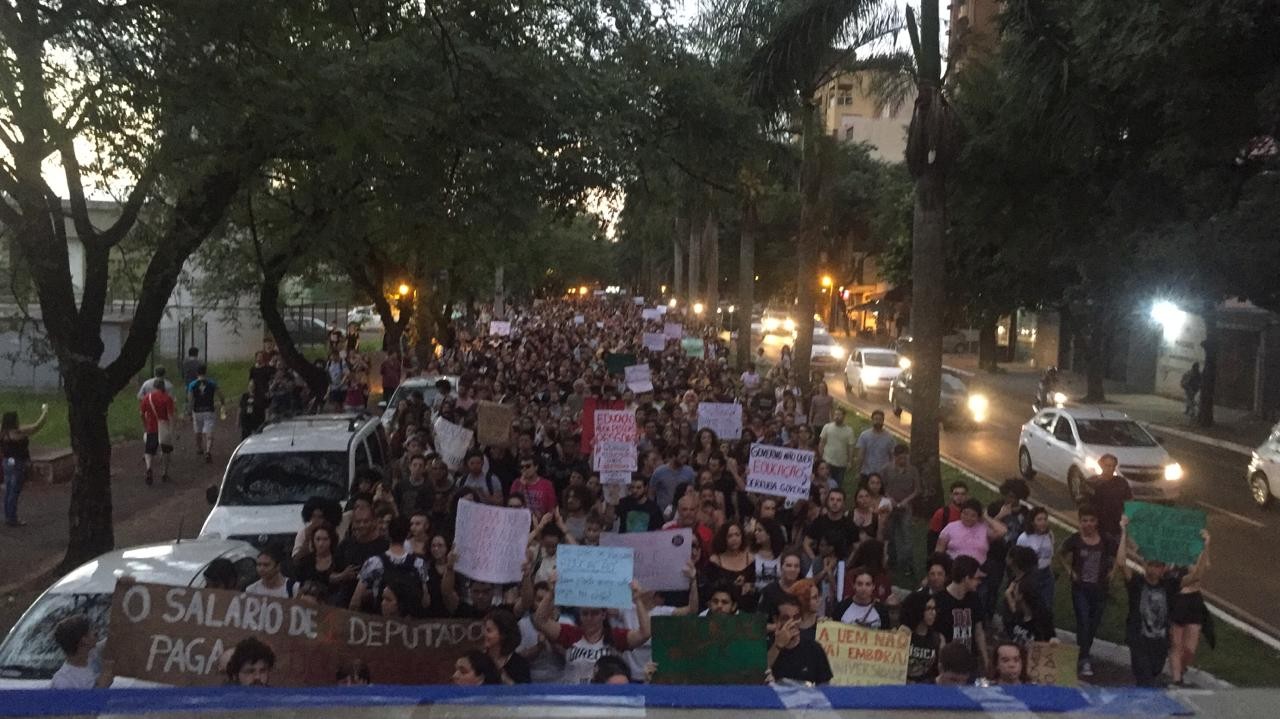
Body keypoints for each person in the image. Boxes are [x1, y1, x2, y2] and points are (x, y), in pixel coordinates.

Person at [1113, 516, 1211, 687]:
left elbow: (1196, 575)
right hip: (1139, 642)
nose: (1154, 569)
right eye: (1151, 564)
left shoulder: (1170, 585)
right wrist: (1124, 532)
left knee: (1153, 674)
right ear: (1145, 565)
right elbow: (1121, 562)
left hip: (1159, 644)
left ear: (1164, 568)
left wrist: (1205, 546)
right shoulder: (1137, 583)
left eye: (1159, 565)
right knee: (1146, 681)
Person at [534, 575, 651, 684]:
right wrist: (551, 593)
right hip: (573, 697)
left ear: (603, 615)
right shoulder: (571, 634)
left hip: (604, 698)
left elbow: (645, 633)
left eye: (594, 613)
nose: (589, 618)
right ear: (579, 615)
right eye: (585, 613)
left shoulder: (615, 636)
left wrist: (637, 600)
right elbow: (541, 621)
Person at [1057, 504, 1117, 678]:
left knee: (1093, 624)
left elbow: (1117, 555)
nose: (1088, 524)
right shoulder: (1075, 540)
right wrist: (1070, 571)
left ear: (1096, 522)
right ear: (1080, 522)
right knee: (1083, 621)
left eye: (1091, 520)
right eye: (1084, 521)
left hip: (1100, 589)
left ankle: (1083, 650)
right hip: (1080, 589)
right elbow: (1061, 553)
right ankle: (1084, 658)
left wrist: (1112, 572)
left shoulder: (1106, 540)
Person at [934, 555, 989, 676]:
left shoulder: (974, 599)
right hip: (950, 664)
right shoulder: (940, 601)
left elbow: (979, 632)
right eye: (976, 578)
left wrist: (986, 661)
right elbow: (940, 636)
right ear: (966, 578)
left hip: (970, 663)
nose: (979, 582)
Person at [768, 595, 833, 685]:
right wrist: (778, 645)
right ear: (776, 620)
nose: (792, 623)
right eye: (786, 618)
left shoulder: (814, 649)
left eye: (796, 617)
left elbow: (825, 685)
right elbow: (756, 677)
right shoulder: (765, 646)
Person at [2, 404, 47, 527]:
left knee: (8, 490)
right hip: (17, 462)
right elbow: (37, 426)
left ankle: (8, 515)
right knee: (14, 491)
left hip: (7, 462)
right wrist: (45, 411)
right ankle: (12, 518)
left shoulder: (3, 433)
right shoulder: (18, 432)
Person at [881, 444, 921, 577]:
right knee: (890, 534)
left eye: (905, 458)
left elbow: (917, 490)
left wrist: (906, 501)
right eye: (901, 458)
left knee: (906, 536)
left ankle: (907, 564)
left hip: (906, 507)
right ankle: (892, 561)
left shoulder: (913, 470)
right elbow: (882, 487)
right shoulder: (887, 469)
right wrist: (889, 498)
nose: (903, 461)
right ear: (895, 457)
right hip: (891, 506)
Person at [935, 498, 1007, 565]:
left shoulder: (984, 528)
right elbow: (939, 550)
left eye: (973, 515)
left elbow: (1003, 531)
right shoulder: (950, 527)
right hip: (953, 566)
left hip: (978, 569)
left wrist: (986, 517)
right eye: (965, 514)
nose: (968, 518)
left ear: (979, 516)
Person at [50, 615, 112, 688]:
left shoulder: (91, 655)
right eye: (94, 633)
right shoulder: (64, 680)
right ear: (84, 640)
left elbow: (113, 640)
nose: (97, 634)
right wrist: (101, 685)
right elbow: (79, 699)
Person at [1015, 507, 1055, 613]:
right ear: (1032, 522)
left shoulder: (1049, 535)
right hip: (1031, 577)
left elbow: (1050, 555)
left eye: (1045, 519)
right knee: (1030, 607)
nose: (1043, 523)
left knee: (1046, 607)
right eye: (1039, 519)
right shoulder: (1024, 538)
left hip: (1046, 576)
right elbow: (1017, 561)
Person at [900, 590, 945, 683]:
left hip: (927, 688)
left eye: (934, 609)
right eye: (928, 608)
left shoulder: (938, 639)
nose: (933, 613)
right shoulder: (903, 635)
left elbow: (942, 670)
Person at [1085, 454, 1131, 544]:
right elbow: (1085, 507)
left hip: (1116, 528)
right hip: (1098, 528)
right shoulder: (1092, 483)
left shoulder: (1121, 483)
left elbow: (1129, 502)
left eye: (1113, 466)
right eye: (1108, 466)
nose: (1110, 469)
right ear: (1101, 465)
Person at [186, 364, 226, 463]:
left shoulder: (192, 384)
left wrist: (189, 411)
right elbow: (220, 395)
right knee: (209, 431)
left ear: (197, 373)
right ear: (205, 372)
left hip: (197, 410)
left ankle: (200, 448)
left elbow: (190, 400)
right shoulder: (212, 383)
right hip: (209, 409)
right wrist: (222, 402)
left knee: (198, 431)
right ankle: (208, 450)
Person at [140, 379, 176, 485]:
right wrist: (172, 429)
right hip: (164, 427)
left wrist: (145, 425)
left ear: (154, 387)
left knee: (149, 451)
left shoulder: (147, 398)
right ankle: (164, 473)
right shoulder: (167, 398)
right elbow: (170, 416)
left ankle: (149, 468)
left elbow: (141, 414)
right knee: (166, 451)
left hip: (151, 427)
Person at [484, 608, 532, 684]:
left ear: (503, 635)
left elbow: (524, 693)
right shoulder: (478, 660)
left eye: (489, 631)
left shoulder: (520, 664)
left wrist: (505, 678)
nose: (484, 634)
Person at [853, 409, 896, 482]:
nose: (878, 421)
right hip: (866, 472)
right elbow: (861, 455)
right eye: (876, 419)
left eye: (880, 419)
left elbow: (892, 456)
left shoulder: (889, 438)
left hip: (883, 474)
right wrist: (858, 472)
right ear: (872, 420)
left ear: (883, 421)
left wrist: (892, 471)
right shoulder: (864, 435)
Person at [926, 481, 968, 555]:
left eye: (963, 494)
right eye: (956, 494)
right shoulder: (942, 513)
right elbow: (932, 538)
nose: (959, 497)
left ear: (967, 496)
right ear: (950, 496)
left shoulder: (972, 514)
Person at [817, 407, 855, 487]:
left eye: (839, 414)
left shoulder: (849, 430)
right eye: (836, 414)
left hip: (841, 464)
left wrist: (850, 461)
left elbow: (850, 447)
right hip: (827, 461)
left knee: (837, 485)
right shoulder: (827, 427)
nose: (837, 416)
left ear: (844, 416)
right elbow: (821, 443)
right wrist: (821, 457)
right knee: (825, 484)